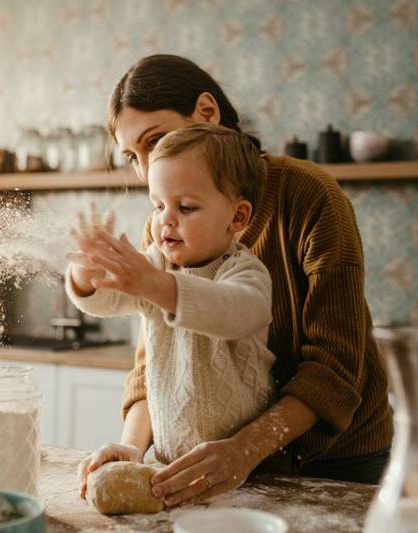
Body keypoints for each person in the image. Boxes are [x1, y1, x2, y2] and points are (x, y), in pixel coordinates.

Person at [78, 54, 394, 508]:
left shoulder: (310, 195)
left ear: (207, 112)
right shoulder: (163, 227)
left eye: (157, 141)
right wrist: (132, 446)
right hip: (224, 461)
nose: (147, 170)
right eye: (133, 156)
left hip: (335, 456)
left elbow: (336, 362)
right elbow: (154, 361)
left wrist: (246, 449)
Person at [65, 123, 276, 471]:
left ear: (237, 217)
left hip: (240, 469)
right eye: (158, 205)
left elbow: (234, 311)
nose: (166, 220)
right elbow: (107, 299)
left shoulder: (245, 273)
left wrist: (154, 284)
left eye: (186, 207)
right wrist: (86, 274)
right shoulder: (156, 266)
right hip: (165, 462)